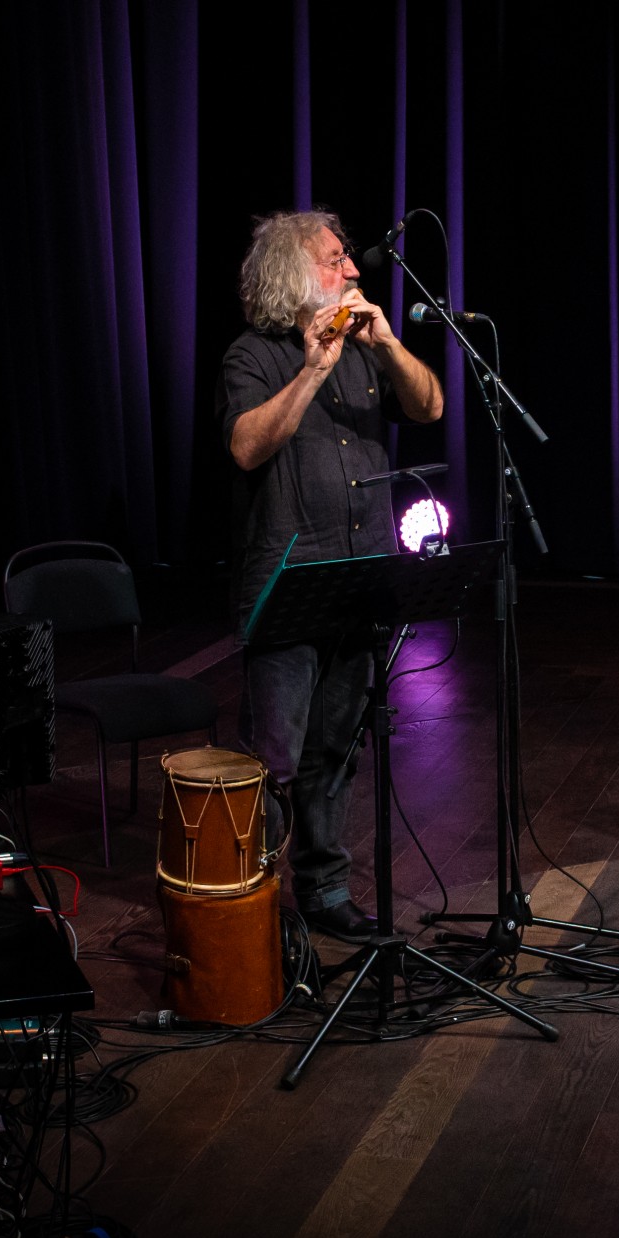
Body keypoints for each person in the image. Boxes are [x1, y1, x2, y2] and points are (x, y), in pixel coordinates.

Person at [218, 210, 444, 939]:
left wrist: (388, 344)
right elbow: (246, 448)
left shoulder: (365, 349)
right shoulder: (252, 355)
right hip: (287, 582)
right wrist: (314, 367)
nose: (353, 269)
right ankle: (252, 905)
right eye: (336, 258)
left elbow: (430, 406)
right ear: (294, 273)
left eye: (348, 258)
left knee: (338, 749)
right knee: (274, 760)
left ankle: (324, 891)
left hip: (360, 576)